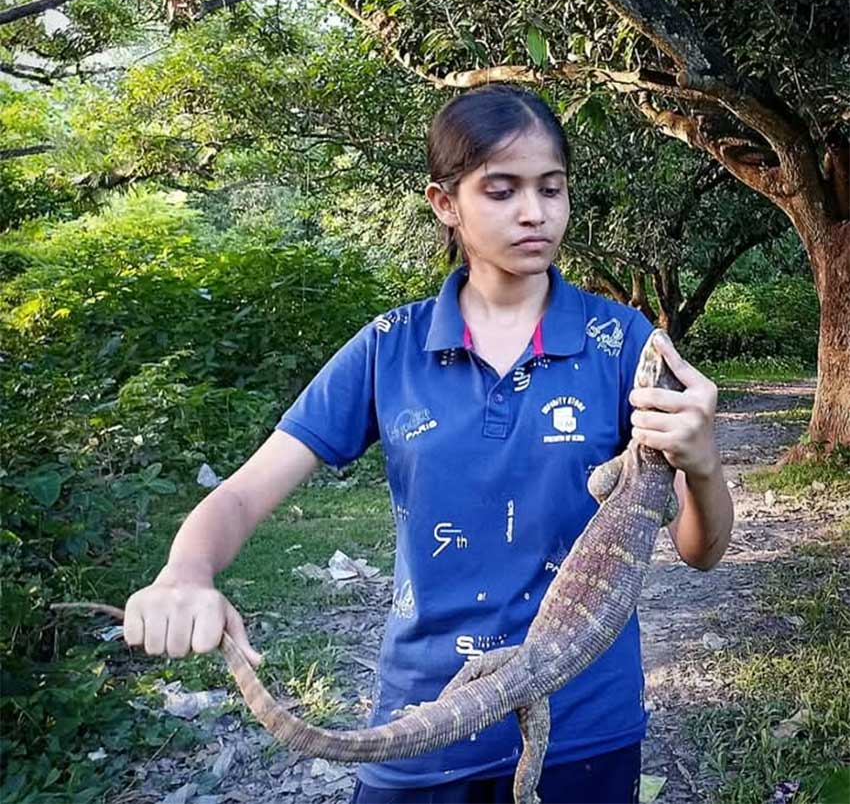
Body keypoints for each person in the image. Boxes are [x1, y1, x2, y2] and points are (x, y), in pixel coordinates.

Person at [123, 84, 734, 804]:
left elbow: (702, 551)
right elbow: (244, 491)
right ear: (445, 204)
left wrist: (702, 462)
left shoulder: (618, 339)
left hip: (585, 726)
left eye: (553, 189)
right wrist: (185, 570)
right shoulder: (391, 346)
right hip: (421, 712)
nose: (535, 213)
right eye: (502, 191)